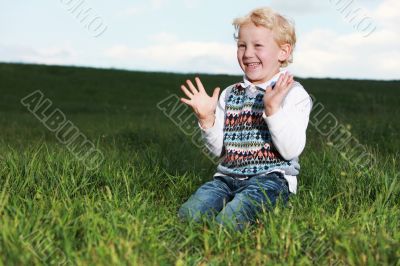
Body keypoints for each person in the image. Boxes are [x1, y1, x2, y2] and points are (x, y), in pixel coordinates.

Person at [178, 7, 312, 230]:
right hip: (227, 178)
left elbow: (290, 150)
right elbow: (219, 152)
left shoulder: (293, 94)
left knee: (229, 223)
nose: (248, 53)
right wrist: (207, 119)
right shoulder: (230, 94)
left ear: (283, 52)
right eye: (242, 45)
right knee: (188, 216)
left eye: (258, 45)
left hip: (271, 180)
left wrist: (272, 109)